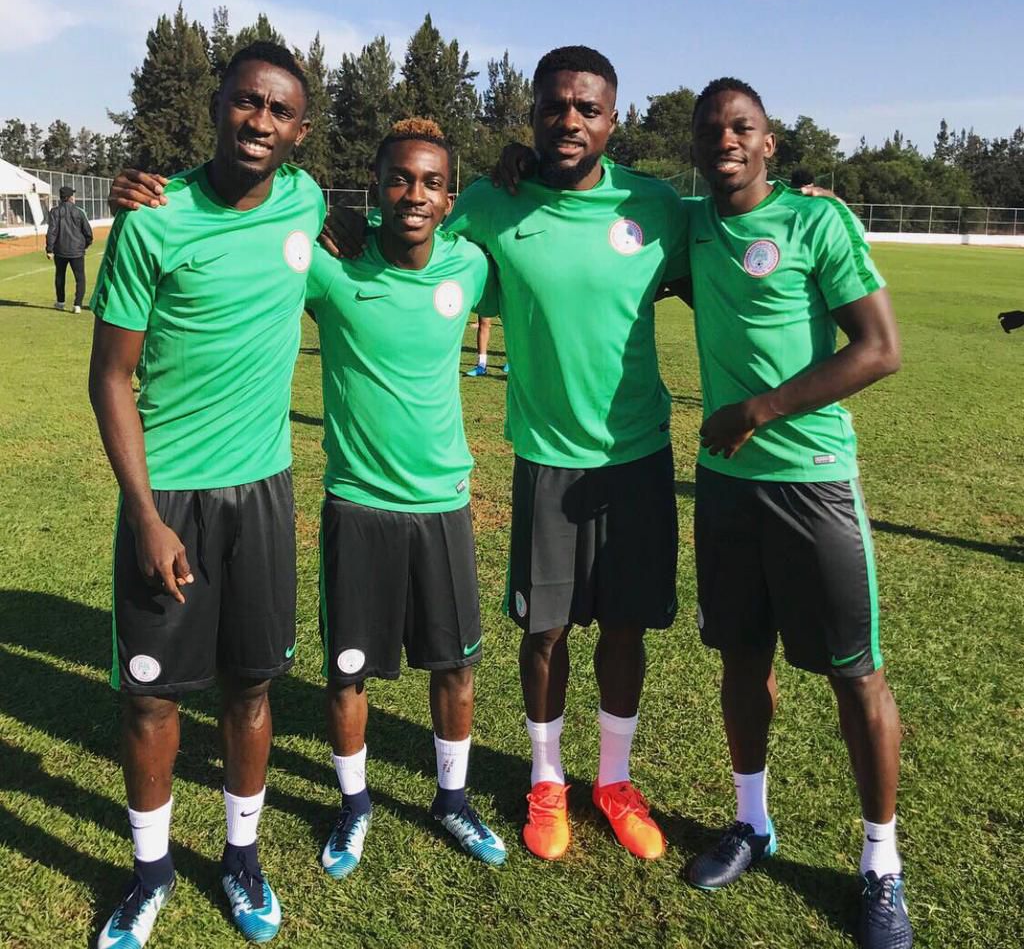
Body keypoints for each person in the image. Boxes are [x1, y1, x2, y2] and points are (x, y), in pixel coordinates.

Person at [323, 46, 688, 863]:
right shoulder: (490, 201)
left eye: (587, 108)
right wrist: (343, 224)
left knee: (625, 628)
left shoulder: (657, 205)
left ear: (614, 118)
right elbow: (415, 231)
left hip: (639, 457)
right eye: (555, 105)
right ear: (531, 114)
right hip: (546, 460)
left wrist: (802, 202)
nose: (570, 120)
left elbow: (734, 240)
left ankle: (616, 780)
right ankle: (548, 778)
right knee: (545, 632)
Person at [88, 41, 322, 948]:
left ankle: (241, 855)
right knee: (150, 697)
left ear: (300, 130)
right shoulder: (155, 219)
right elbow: (111, 377)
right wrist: (145, 515)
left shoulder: (305, 203)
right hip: (169, 498)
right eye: (245, 103)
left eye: (279, 112)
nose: (259, 122)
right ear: (218, 105)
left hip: (261, 494)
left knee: (250, 686)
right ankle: (150, 873)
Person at [675, 77, 911, 949]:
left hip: (812, 481)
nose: (725, 141)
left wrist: (758, 410)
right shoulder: (691, 224)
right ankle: (752, 822)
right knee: (743, 659)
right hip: (726, 489)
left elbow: (881, 348)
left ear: (771, 142)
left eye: (742, 128)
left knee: (855, 674)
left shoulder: (818, 222)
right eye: (710, 131)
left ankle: (880, 863)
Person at [308, 118, 506, 877]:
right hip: (357, 503)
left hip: (443, 505)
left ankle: (452, 799)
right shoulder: (330, 271)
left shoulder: (471, 267)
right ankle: (354, 804)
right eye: (399, 179)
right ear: (376, 186)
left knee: (455, 664)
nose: (413, 195)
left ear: (448, 197)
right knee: (348, 669)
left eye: (429, 182)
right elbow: (261, 226)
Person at [46, 185, 93, 313]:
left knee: (60, 276)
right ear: (70, 197)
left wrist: (49, 249)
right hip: (77, 250)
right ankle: (77, 305)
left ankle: (60, 302)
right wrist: (85, 245)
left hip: (60, 250)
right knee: (80, 278)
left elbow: (52, 231)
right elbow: (88, 232)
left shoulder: (54, 211)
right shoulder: (79, 211)